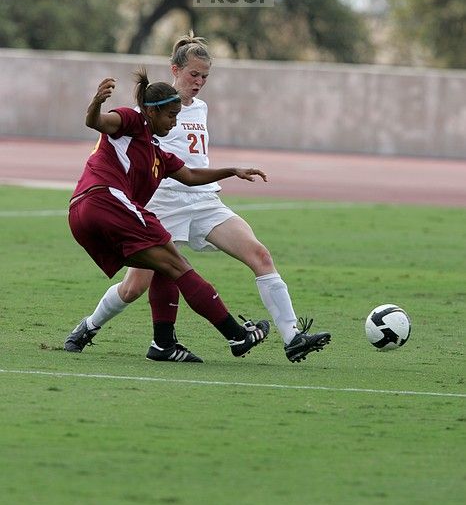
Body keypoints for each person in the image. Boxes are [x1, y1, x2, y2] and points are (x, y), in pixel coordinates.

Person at [65, 32, 331, 363]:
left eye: (205, 76)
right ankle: (88, 327)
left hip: (203, 200)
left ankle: (292, 337)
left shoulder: (200, 107)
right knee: (136, 287)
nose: (199, 82)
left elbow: (191, 170)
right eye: (194, 74)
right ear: (174, 69)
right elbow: (109, 135)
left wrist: (233, 170)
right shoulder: (144, 112)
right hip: (163, 202)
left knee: (259, 254)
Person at [65, 69, 271, 362]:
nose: (175, 122)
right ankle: (237, 335)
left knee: (163, 266)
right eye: (171, 115)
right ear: (151, 111)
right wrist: (96, 102)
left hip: (80, 213)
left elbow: (189, 175)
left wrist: (231, 171)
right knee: (178, 264)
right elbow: (95, 122)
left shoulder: (157, 153)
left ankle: (163, 345)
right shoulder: (132, 120)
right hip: (107, 201)